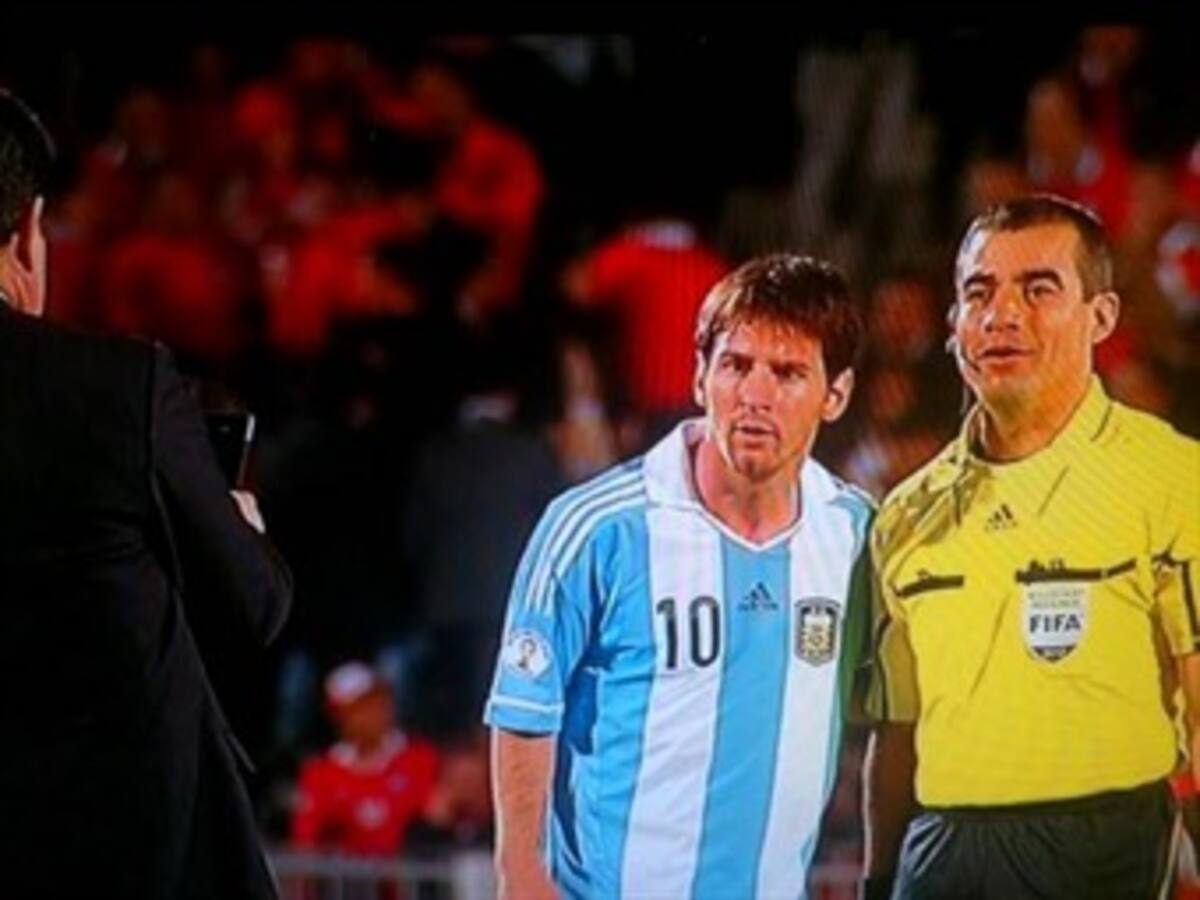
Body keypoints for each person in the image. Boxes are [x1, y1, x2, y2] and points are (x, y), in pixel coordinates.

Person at [485, 253, 874, 899]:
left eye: (787, 373)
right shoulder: (597, 527)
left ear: (836, 394)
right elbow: (525, 710)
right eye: (735, 365)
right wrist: (520, 876)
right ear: (699, 376)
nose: (755, 395)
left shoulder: (857, 535)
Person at [862, 194, 1200, 899]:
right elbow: (896, 734)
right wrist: (878, 880)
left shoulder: (1174, 481)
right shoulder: (903, 514)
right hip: (940, 852)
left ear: (1100, 316)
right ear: (954, 325)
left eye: (1038, 289)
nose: (1001, 314)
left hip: (1106, 849)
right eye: (978, 292)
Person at [0, 90, 293, 899]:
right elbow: (253, 604)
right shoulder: (118, 389)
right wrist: (233, 527)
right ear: (26, 233)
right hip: (129, 854)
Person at [291, 661, 440, 856]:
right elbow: (306, 840)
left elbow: (437, 817)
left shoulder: (421, 759)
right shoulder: (320, 773)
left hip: (405, 881)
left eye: (379, 701)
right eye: (361, 707)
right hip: (341, 883)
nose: (375, 713)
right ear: (340, 716)